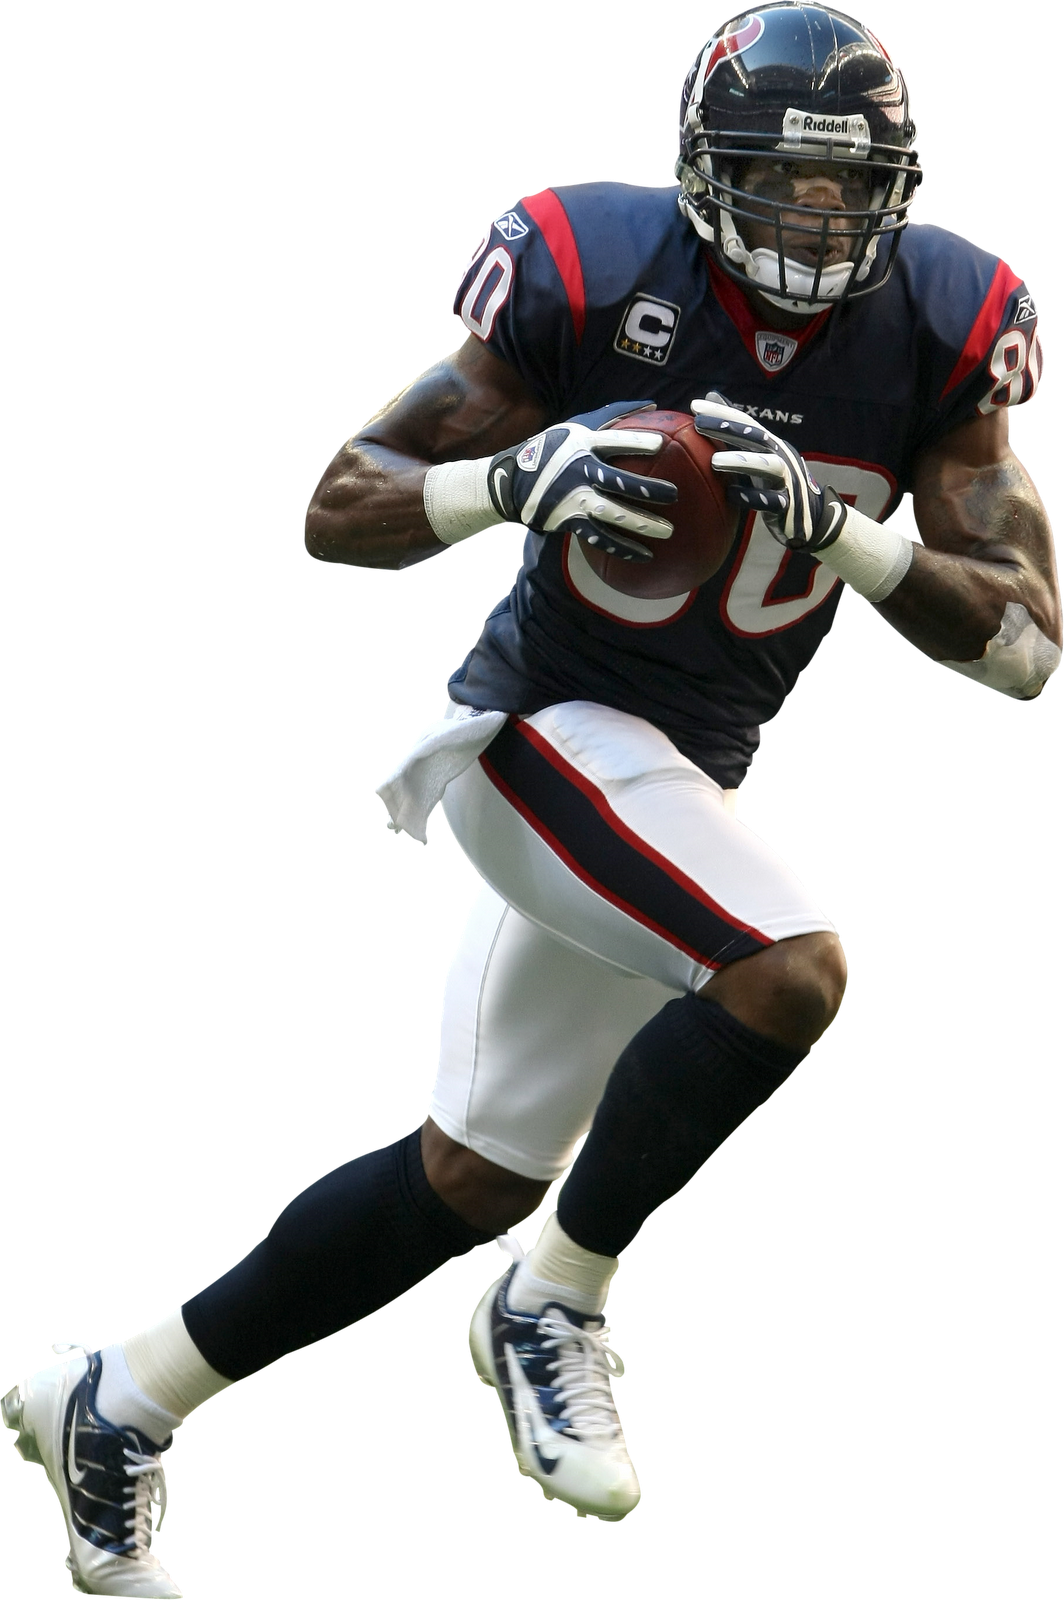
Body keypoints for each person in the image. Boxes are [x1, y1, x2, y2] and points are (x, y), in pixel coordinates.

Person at [4, 4, 1059, 1591]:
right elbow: (339, 508)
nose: (814, 218)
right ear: (705, 171)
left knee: (470, 1174)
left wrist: (846, 534)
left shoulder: (943, 322)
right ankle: (555, 1299)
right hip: (532, 731)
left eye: (849, 188)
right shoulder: (599, 267)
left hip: (676, 783)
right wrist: (502, 481)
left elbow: (1028, 650)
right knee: (788, 970)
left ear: (895, 192)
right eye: (782, 179)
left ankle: (118, 1401)